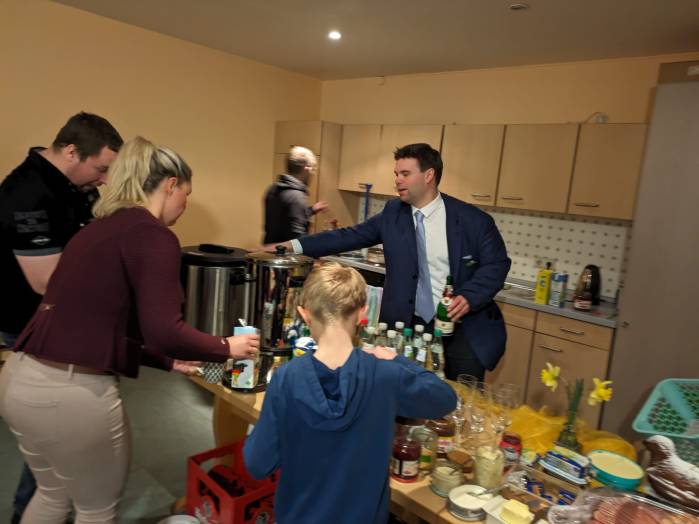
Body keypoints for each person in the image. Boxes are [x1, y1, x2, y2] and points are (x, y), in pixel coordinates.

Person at [0, 136, 260, 523]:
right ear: (170, 184)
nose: (184, 206)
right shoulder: (153, 235)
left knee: (53, 493)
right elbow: (164, 331)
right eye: (186, 195)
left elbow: (103, 323)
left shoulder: (100, 228)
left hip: (20, 378)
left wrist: (167, 362)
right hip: (71, 394)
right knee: (96, 509)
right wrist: (227, 346)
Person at [274, 143, 511, 381]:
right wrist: (292, 246)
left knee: (461, 396)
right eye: (396, 174)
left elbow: (497, 265)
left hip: (463, 329)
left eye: (405, 174)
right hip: (407, 328)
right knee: (402, 390)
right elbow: (347, 236)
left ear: (429, 175)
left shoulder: (473, 220)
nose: (397, 180)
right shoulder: (393, 213)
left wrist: (469, 296)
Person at [243, 262, 456, 524]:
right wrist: (397, 360)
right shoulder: (386, 375)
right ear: (363, 312)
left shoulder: (286, 378)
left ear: (304, 314)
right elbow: (445, 399)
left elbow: (257, 464)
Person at [0, 111, 123, 524]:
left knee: (54, 448)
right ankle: (29, 511)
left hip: (62, 326)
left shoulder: (69, 187)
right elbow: (46, 281)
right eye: (101, 169)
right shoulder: (27, 194)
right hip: (32, 327)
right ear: (71, 152)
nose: (104, 180)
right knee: (49, 442)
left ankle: (50, 504)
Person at [263, 145, 329, 243]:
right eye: (314, 169)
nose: (313, 174)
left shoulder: (273, 189)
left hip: (268, 248)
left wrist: (312, 210)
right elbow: (297, 240)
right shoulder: (296, 196)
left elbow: (285, 219)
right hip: (284, 252)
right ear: (307, 168)